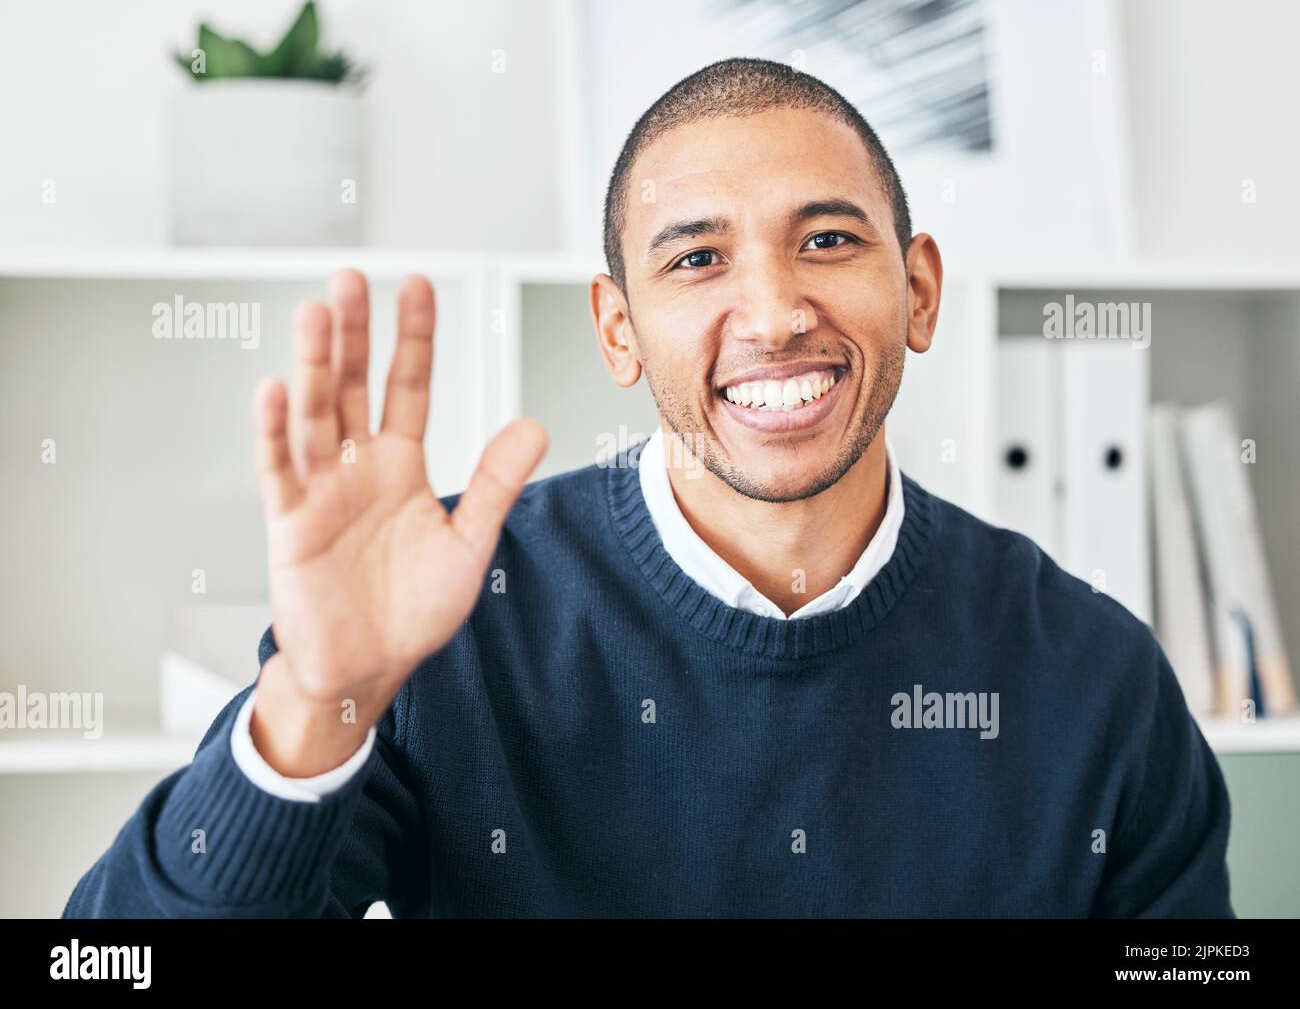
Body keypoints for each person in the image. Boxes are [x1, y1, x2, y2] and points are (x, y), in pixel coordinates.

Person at [64, 57, 1233, 918]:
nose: (774, 315)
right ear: (618, 329)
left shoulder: (1098, 678)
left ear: (918, 291)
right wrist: (316, 697)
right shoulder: (444, 632)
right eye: (696, 259)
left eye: (827, 240)